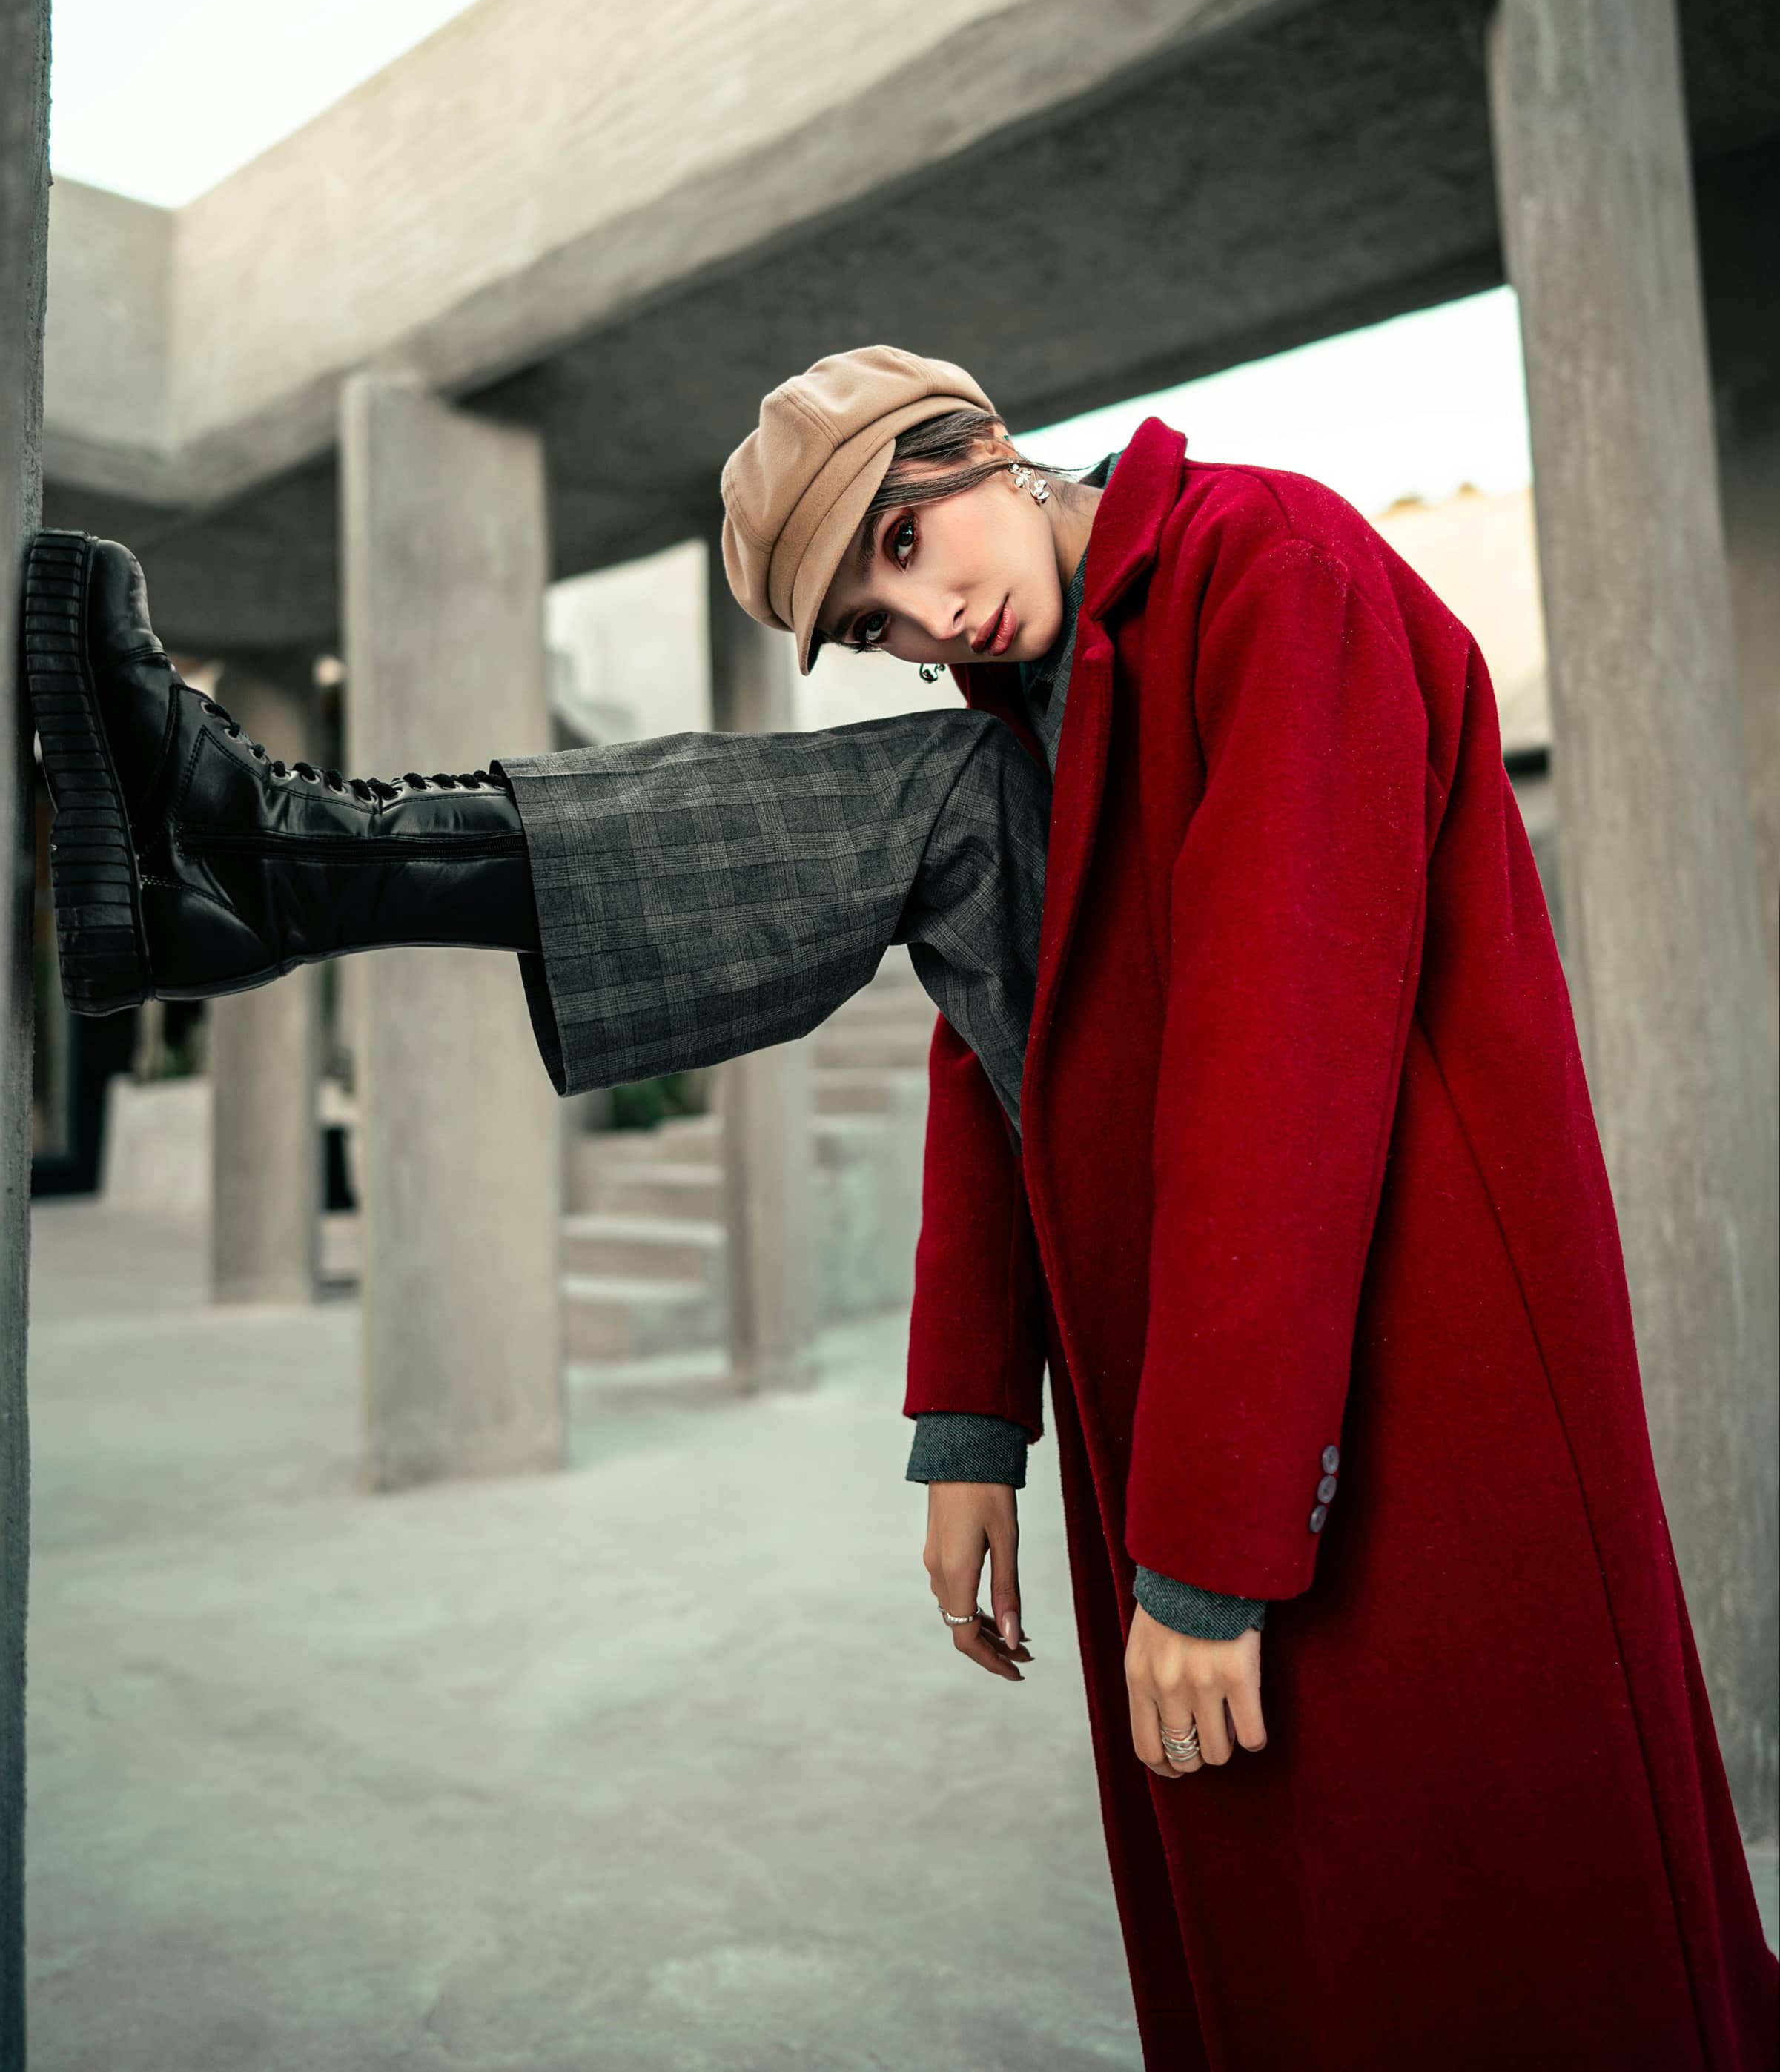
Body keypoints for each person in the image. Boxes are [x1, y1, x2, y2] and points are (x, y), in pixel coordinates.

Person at [23, 345, 1776, 2070]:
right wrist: (965, 1425)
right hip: (1204, 1353)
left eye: (903, 551)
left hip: (1409, 1354)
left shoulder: (1273, 567)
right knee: (932, 801)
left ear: (984, 448)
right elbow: (987, 1040)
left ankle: (268, 862)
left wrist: (1213, 1549)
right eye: (869, 622)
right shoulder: (1033, 705)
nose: (919, 624)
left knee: (1467, 1938)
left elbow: (1288, 1060)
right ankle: (270, 866)